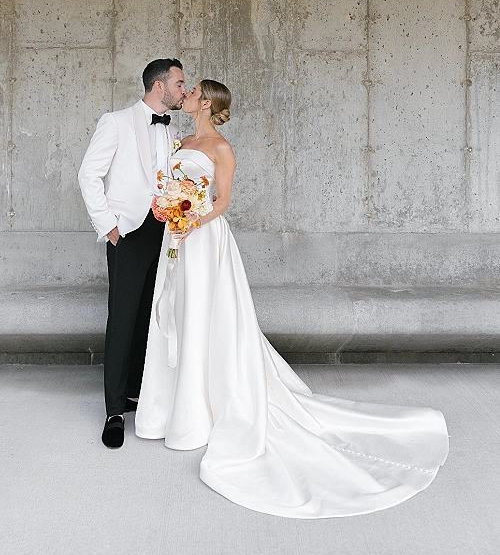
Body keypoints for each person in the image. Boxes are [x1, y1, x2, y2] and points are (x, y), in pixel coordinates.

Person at [135, 79, 449, 518]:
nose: (183, 94)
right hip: (177, 236)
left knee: (208, 317)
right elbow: (169, 182)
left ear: (206, 102)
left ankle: (204, 412)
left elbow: (223, 202)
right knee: (178, 312)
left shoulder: (222, 148)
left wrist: (192, 218)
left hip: (203, 239)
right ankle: (173, 408)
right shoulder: (181, 140)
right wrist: (169, 208)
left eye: (192, 91)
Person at [78, 59, 187, 449]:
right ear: (159, 86)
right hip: (128, 232)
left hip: (164, 231)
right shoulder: (117, 121)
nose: (183, 90)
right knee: (123, 318)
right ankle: (113, 412)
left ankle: (138, 394)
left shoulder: (173, 129)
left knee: (152, 315)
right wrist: (109, 227)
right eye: (179, 82)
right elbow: (88, 173)